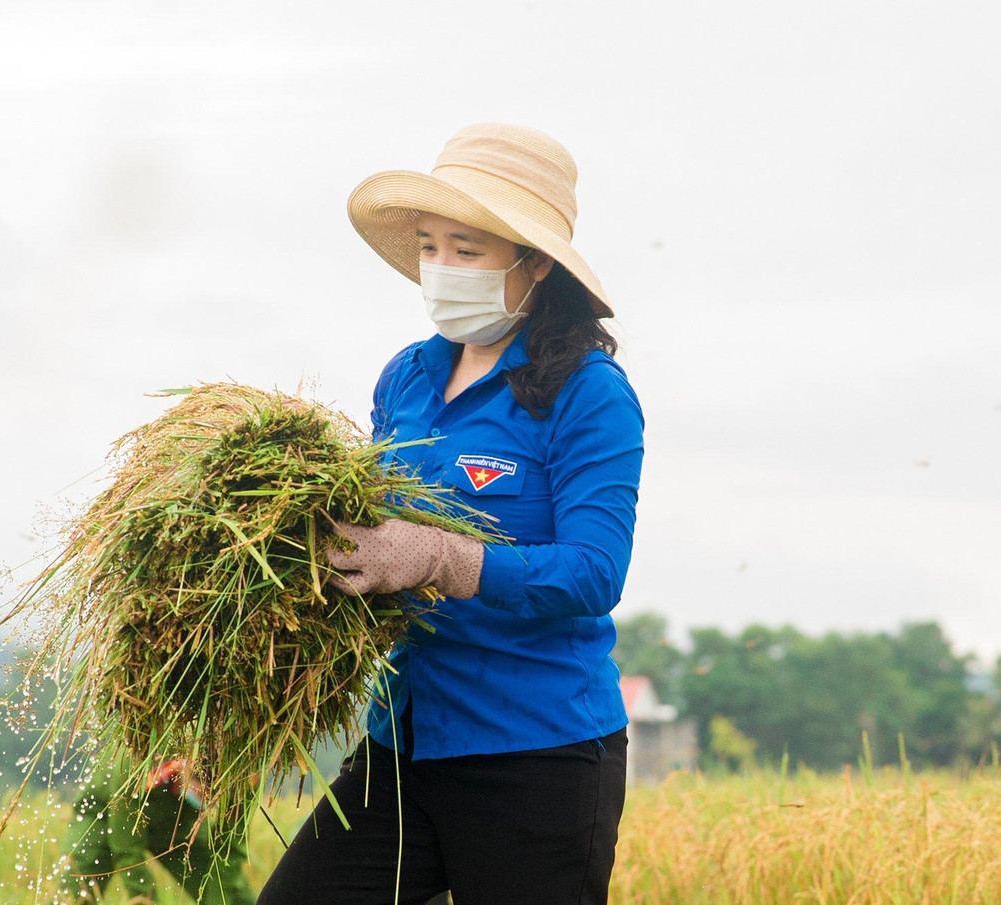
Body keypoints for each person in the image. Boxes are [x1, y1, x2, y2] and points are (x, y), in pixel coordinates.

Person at [257, 123, 644, 905]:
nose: (441, 268)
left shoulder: (590, 393)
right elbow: (371, 535)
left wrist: (443, 557)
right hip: (399, 741)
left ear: (534, 262)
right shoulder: (406, 376)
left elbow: (594, 572)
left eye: (467, 251)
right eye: (431, 246)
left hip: (534, 754)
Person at [70, 756, 256, 903]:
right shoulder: (138, 765)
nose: (204, 803)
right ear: (186, 768)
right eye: (201, 794)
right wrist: (144, 900)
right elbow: (126, 850)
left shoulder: (242, 778)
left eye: (211, 801)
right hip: (106, 813)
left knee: (232, 896)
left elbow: (229, 849)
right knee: (77, 889)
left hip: (175, 823)